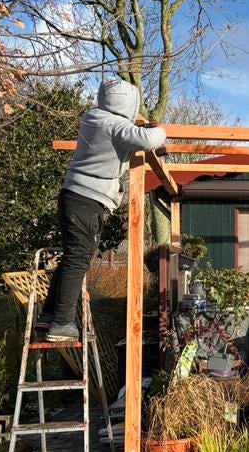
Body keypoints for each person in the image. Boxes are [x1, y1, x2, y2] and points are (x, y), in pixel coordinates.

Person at [37, 78, 166, 342]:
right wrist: (160, 130)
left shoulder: (93, 119)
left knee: (72, 257)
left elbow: (127, 145)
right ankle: (61, 323)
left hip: (71, 195)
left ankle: (49, 315)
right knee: (79, 258)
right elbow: (150, 138)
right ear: (130, 104)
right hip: (87, 200)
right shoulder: (116, 125)